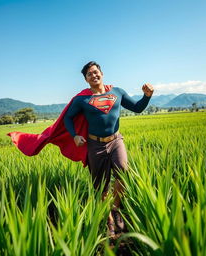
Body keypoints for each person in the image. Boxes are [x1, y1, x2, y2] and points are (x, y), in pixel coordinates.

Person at [63, 61, 154, 237]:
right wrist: (74, 135)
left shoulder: (117, 92)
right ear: (86, 79)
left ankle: (115, 209)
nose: (93, 75)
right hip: (95, 144)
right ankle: (108, 220)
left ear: (102, 73)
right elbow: (68, 118)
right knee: (100, 185)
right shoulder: (82, 100)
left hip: (116, 140)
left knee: (123, 172)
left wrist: (147, 96)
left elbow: (137, 108)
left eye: (96, 72)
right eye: (89, 74)